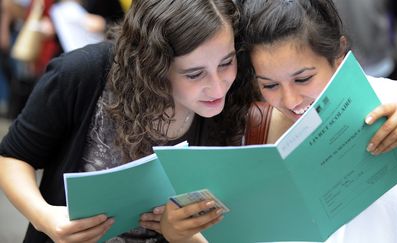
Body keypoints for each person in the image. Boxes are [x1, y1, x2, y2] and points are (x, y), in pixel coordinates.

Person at [0, 0, 258, 242]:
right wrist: (44, 217)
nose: (217, 87)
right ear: (154, 66)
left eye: (226, 62)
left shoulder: (236, 95)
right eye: (194, 74)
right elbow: (11, 157)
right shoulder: (82, 73)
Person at [236, 0, 397, 242]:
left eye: (303, 78)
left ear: (339, 53)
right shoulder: (254, 133)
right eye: (270, 85)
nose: (290, 100)